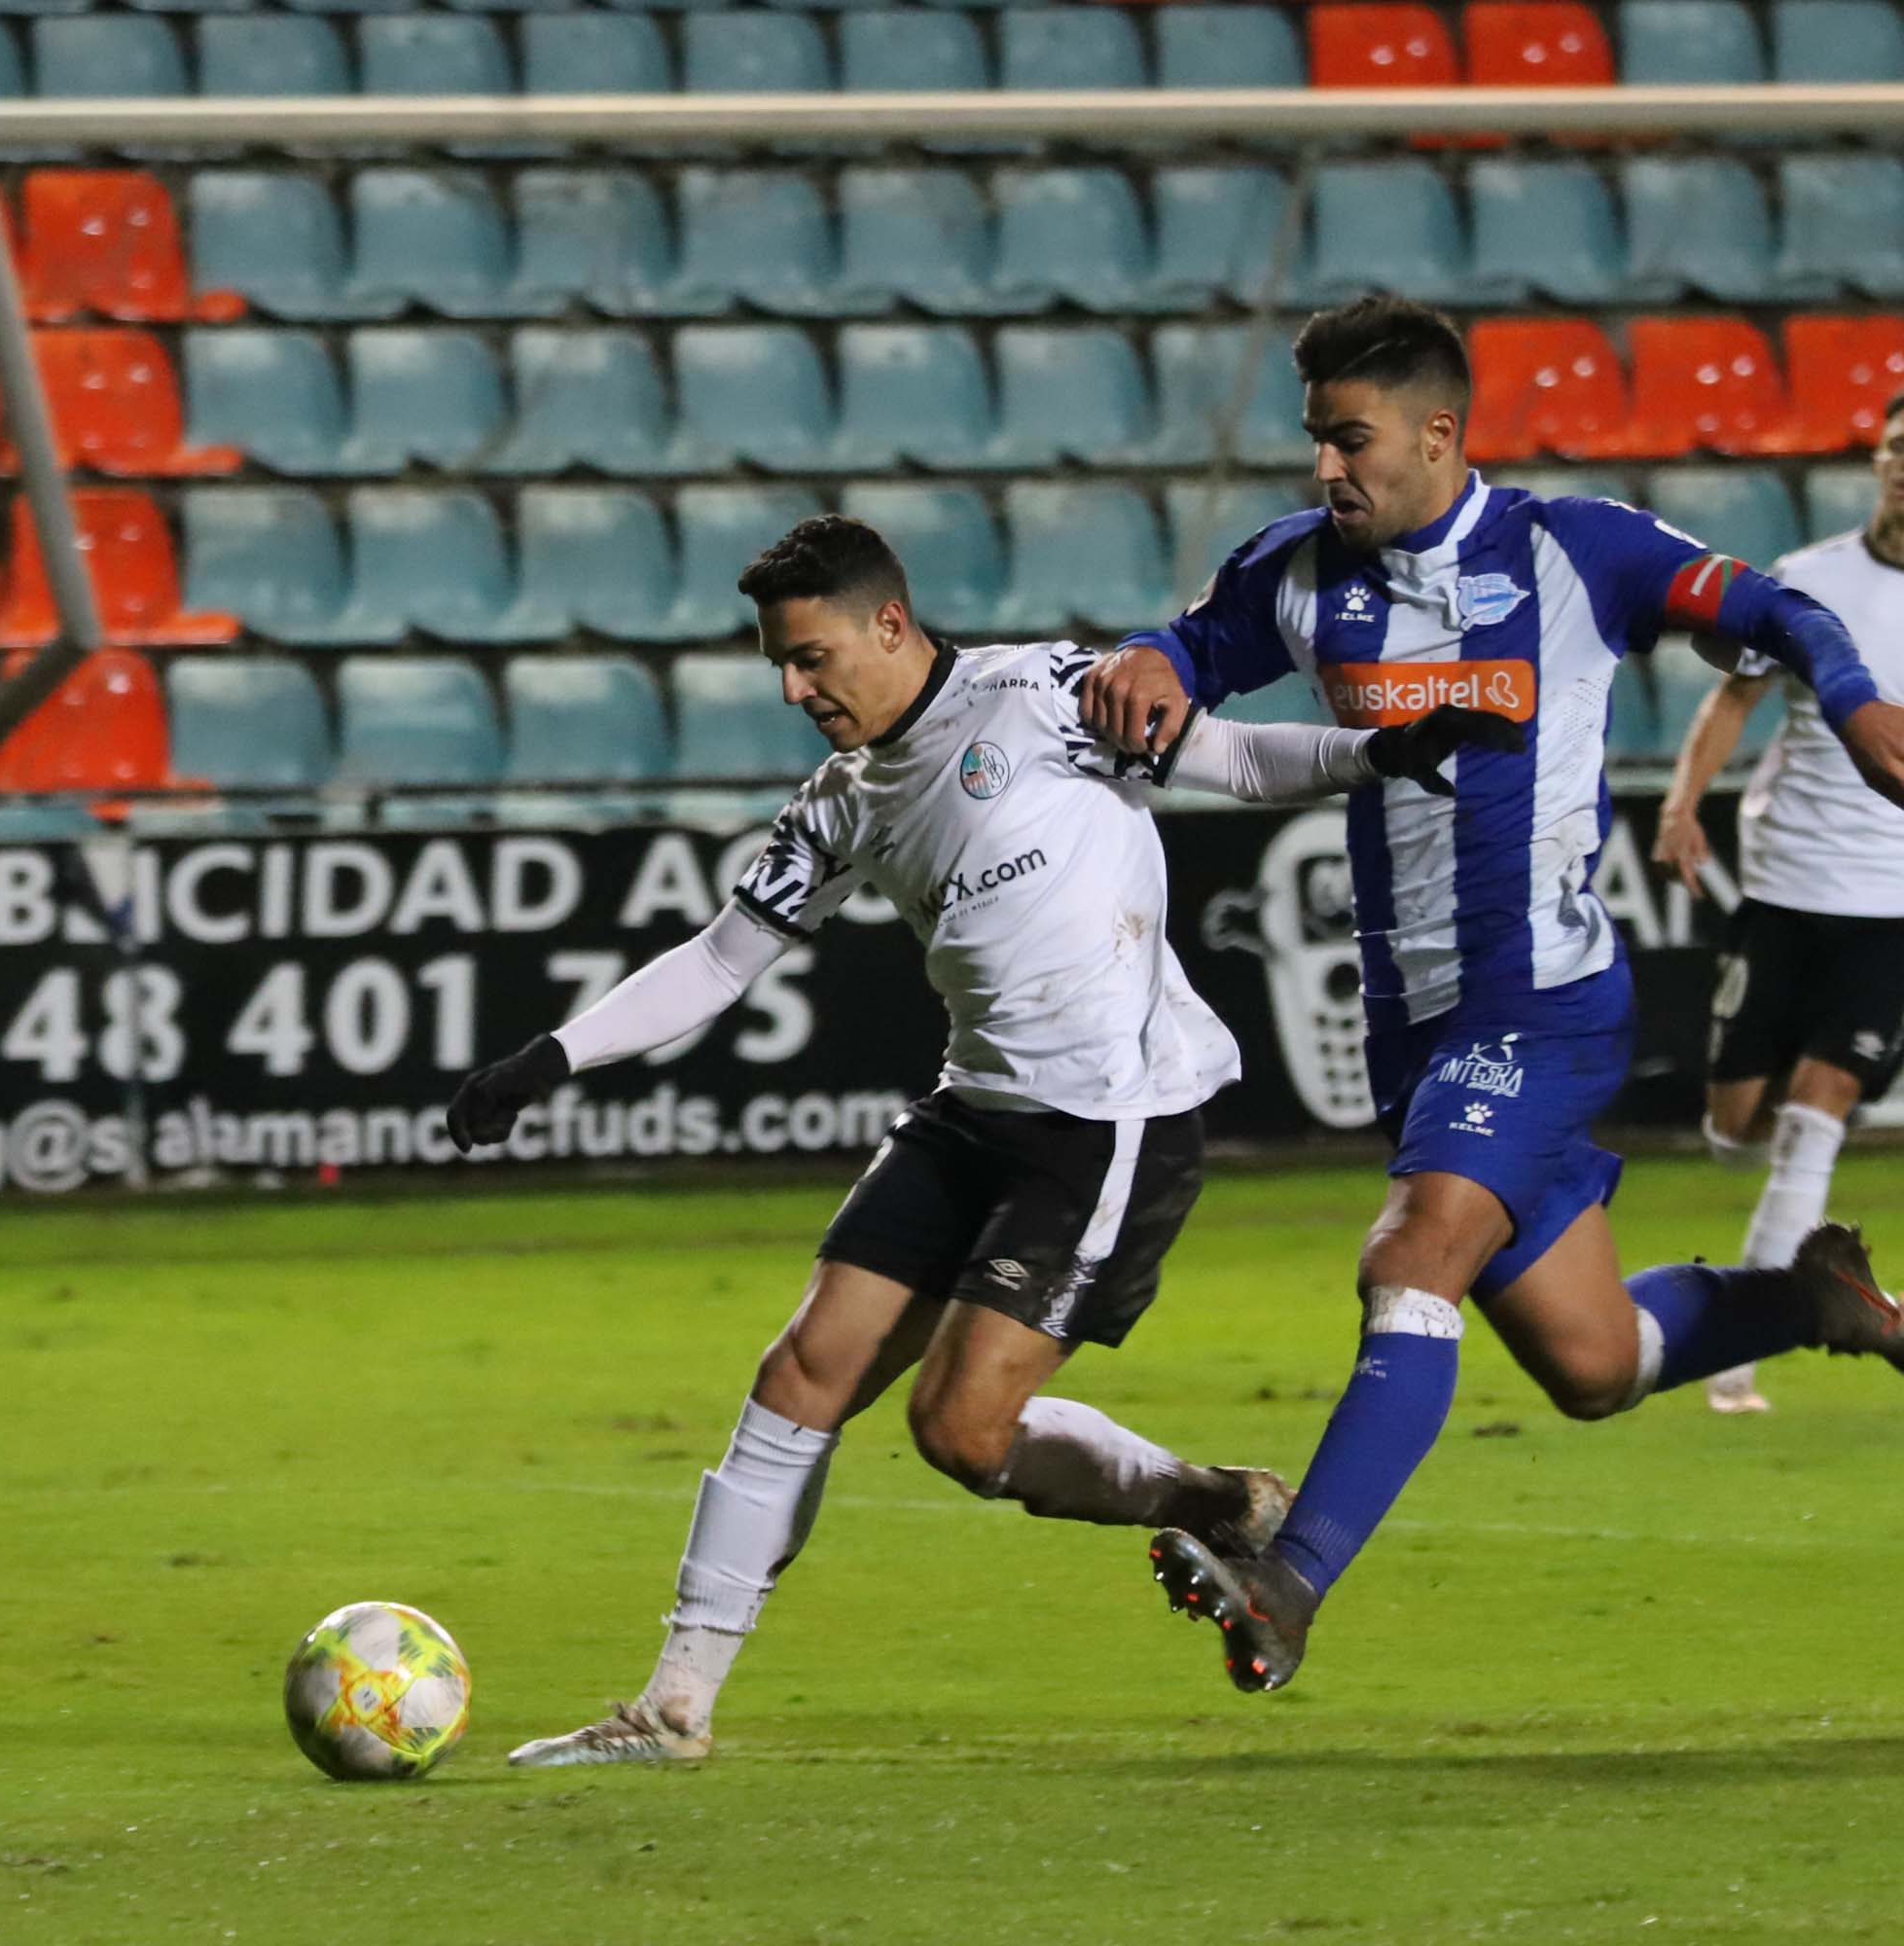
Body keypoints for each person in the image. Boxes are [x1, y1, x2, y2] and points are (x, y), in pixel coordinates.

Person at [448, 515, 1519, 1764]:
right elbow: (721, 959)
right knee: (801, 1371)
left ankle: (1215, 1501)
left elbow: (1234, 757)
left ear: (888, 625)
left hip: (1107, 1124)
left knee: (960, 1434)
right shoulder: (841, 801)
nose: (796, 690)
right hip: (970, 1110)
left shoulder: (1047, 697)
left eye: (811, 658)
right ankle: (672, 1708)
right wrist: (549, 1059)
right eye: (781, 668)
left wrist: (1389, 751)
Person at [1077, 295, 1904, 1695]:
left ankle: (1288, 1578)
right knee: (1594, 1361)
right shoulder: (1303, 571)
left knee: (1410, 1256)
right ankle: (1809, 1298)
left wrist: (1852, 698)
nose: (1326, 469)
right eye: (1315, 441)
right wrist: (1147, 658)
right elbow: (1190, 651)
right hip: (1417, 1025)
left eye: (1350, 440)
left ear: (1440, 433)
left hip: (1543, 1002)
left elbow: (1775, 608)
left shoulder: (1573, 549)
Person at [1651, 373, 1904, 1416]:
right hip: (1788, 878)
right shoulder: (1806, 580)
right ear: (1877, 460)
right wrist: (1684, 805)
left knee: (1817, 1117)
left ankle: (1738, 1357)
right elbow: (1736, 694)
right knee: (1735, 1127)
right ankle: (1824, 1289)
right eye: (1896, 443)